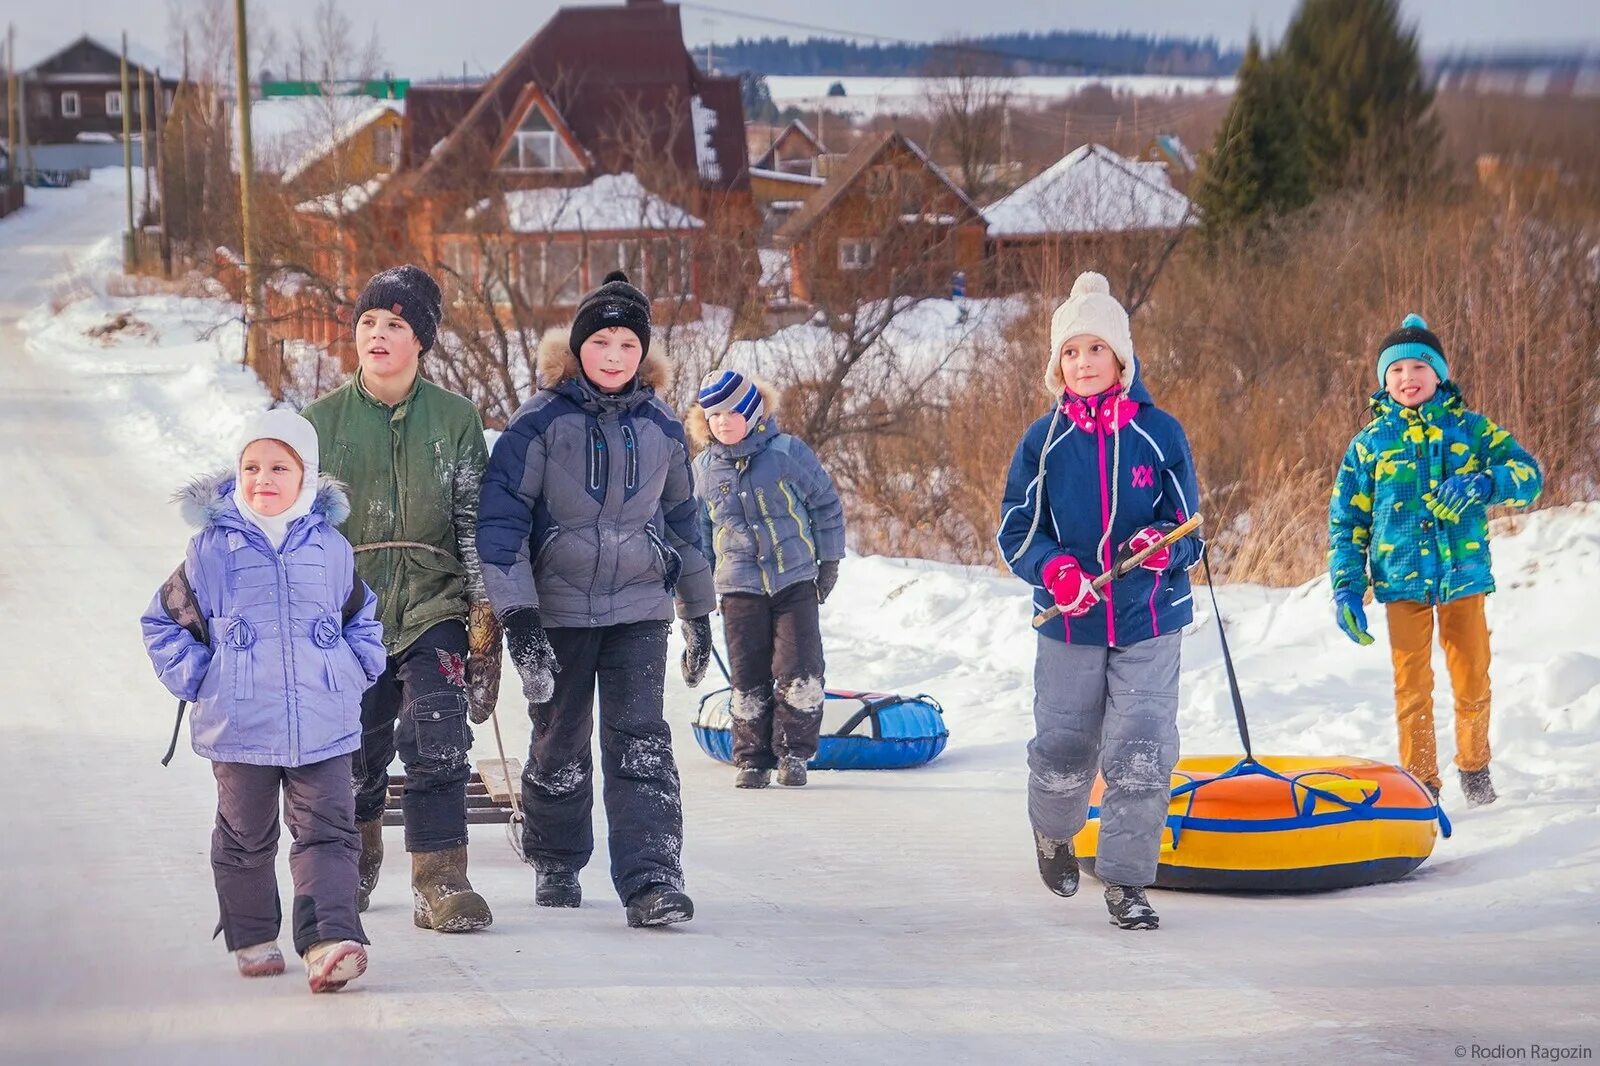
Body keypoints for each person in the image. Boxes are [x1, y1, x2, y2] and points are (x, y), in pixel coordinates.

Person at [477, 270, 716, 927]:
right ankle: (556, 858)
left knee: (641, 741)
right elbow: (499, 528)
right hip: (557, 609)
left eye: (627, 345)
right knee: (559, 737)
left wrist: (698, 611)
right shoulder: (539, 422)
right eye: (602, 341)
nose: (614, 356)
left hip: (639, 609)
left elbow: (685, 522)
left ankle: (653, 879)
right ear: (578, 348)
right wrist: (518, 617)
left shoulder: (663, 427)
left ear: (645, 356)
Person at [142, 409, 384, 991]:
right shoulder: (211, 550)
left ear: (308, 476)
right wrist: (203, 676)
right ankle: (251, 934)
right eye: (251, 466)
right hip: (240, 724)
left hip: (322, 722)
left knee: (329, 831)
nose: (263, 479)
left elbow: (362, 616)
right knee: (246, 834)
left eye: (279, 467)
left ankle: (329, 940)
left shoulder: (330, 548)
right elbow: (163, 622)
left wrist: (355, 665)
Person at [996, 271, 1205, 931]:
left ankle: (1125, 883)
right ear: (1057, 364)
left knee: (1142, 749)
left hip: (1149, 616)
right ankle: (1054, 834)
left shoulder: (1160, 432)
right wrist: (1055, 569)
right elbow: (1016, 530)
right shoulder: (1043, 440)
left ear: (1121, 358)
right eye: (1070, 351)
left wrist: (1159, 543)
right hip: (1072, 623)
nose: (1083, 362)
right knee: (1063, 749)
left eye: (1096, 349)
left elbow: (1187, 525)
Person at [302, 264, 500, 933]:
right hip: (345, 610)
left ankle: (439, 876)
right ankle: (355, 854)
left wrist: (482, 626)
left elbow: (474, 522)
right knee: (356, 744)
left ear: (422, 341)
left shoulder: (456, 419)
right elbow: (297, 533)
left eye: (395, 324)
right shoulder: (318, 424)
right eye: (368, 322)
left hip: (432, 603)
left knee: (437, 732)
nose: (378, 334)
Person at [1328, 313, 1542, 807]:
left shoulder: (1471, 430)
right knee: (1413, 687)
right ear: (1385, 380)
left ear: (1439, 373)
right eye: (1396, 370)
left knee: (1472, 677)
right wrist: (1345, 586)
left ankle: (1474, 767)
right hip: (1400, 583)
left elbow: (1529, 475)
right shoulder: (1370, 445)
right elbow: (1346, 523)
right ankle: (1422, 784)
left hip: (1462, 578)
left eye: (1418, 367)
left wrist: (1485, 484)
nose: (1408, 378)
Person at [688, 369, 845, 789]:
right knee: (747, 673)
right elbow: (699, 532)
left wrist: (828, 562)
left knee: (800, 668)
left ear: (753, 412)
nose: (722, 421)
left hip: (794, 580)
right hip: (738, 587)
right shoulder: (703, 469)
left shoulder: (786, 453)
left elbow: (826, 505)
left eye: (731, 411)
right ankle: (752, 759)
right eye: (714, 414)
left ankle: (793, 754)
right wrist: (700, 585)